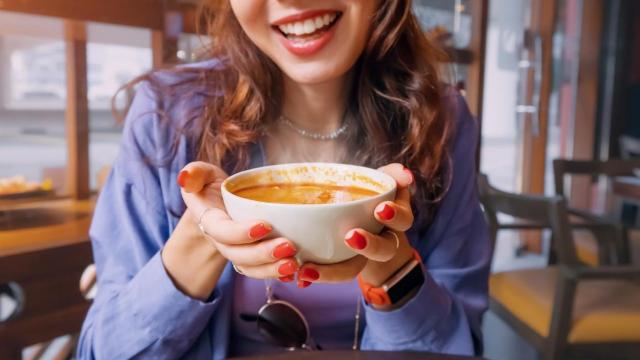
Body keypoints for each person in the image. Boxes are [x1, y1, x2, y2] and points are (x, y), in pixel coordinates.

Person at [77, 1, 491, 359]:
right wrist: (202, 239)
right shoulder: (168, 115)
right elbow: (102, 351)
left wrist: (392, 269)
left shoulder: (441, 121)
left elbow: (458, 349)